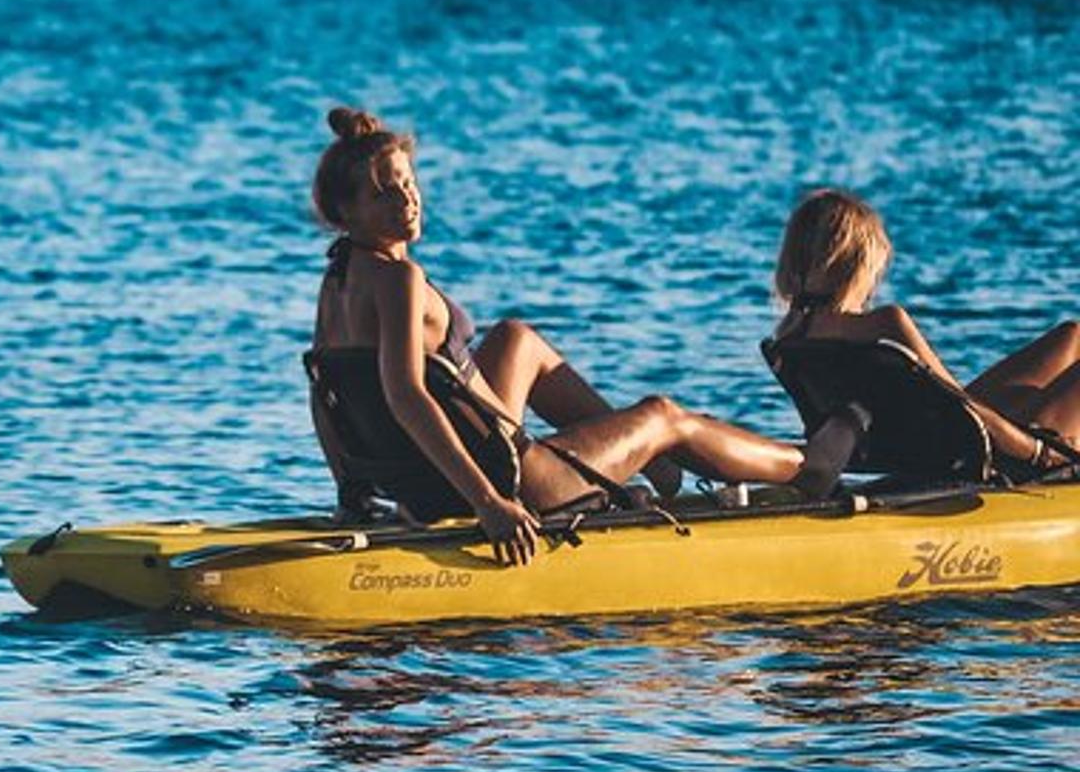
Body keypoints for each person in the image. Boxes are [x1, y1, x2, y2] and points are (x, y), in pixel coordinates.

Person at [311, 107, 805, 564]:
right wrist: (490, 504)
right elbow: (406, 397)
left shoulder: (337, 279)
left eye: (408, 181)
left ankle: (651, 468)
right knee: (664, 415)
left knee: (514, 338)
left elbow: (325, 391)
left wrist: (351, 496)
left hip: (431, 479)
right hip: (516, 481)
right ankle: (804, 466)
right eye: (383, 194)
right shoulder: (400, 280)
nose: (407, 199)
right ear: (345, 212)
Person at [772, 188, 1076, 479]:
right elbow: (965, 408)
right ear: (856, 265)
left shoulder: (789, 337)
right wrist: (1040, 452)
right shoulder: (884, 323)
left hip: (921, 443)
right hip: (965, 452)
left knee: (1072, 334)